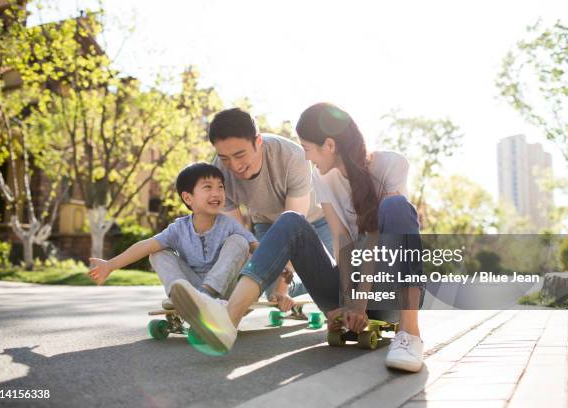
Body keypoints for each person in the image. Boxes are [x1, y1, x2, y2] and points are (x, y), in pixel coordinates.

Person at [170, 103, 425, 373]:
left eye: (307, 149)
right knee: (290, 220)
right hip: (352, 289)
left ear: (329, 145)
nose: (307, 157)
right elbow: (342, 245)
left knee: (395, 208)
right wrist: (341, 304)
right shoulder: (322, 178)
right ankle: (228, 320)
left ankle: (410, 334)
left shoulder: (392, 164)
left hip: (389, 291)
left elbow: (375, 239)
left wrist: (359, 303)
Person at [209, 108, 333, 309]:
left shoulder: (293, 157)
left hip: (316, 221)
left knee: (331, 279)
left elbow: (293, 227)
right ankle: (296, 284)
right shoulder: (218, 173)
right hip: (266, 222)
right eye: (225, 158)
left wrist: (282, 286)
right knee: (269, 290)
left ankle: (307, 282)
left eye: (240, 154)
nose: (234, 166)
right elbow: (240, 237)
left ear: (258, 141)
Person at [87, 162, 258, 302]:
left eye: (220, 187)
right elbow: (145, 245)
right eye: (208, 187)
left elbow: (257, 248)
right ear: (188, 198)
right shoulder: (178, 229)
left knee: (240, 241)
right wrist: (110, 265)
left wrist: (281, 269)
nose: (217, 193)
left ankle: (209, 294)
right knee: (157, 252)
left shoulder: (229, 225)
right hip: (193, 289)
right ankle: (180, 295)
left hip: (227, 289)